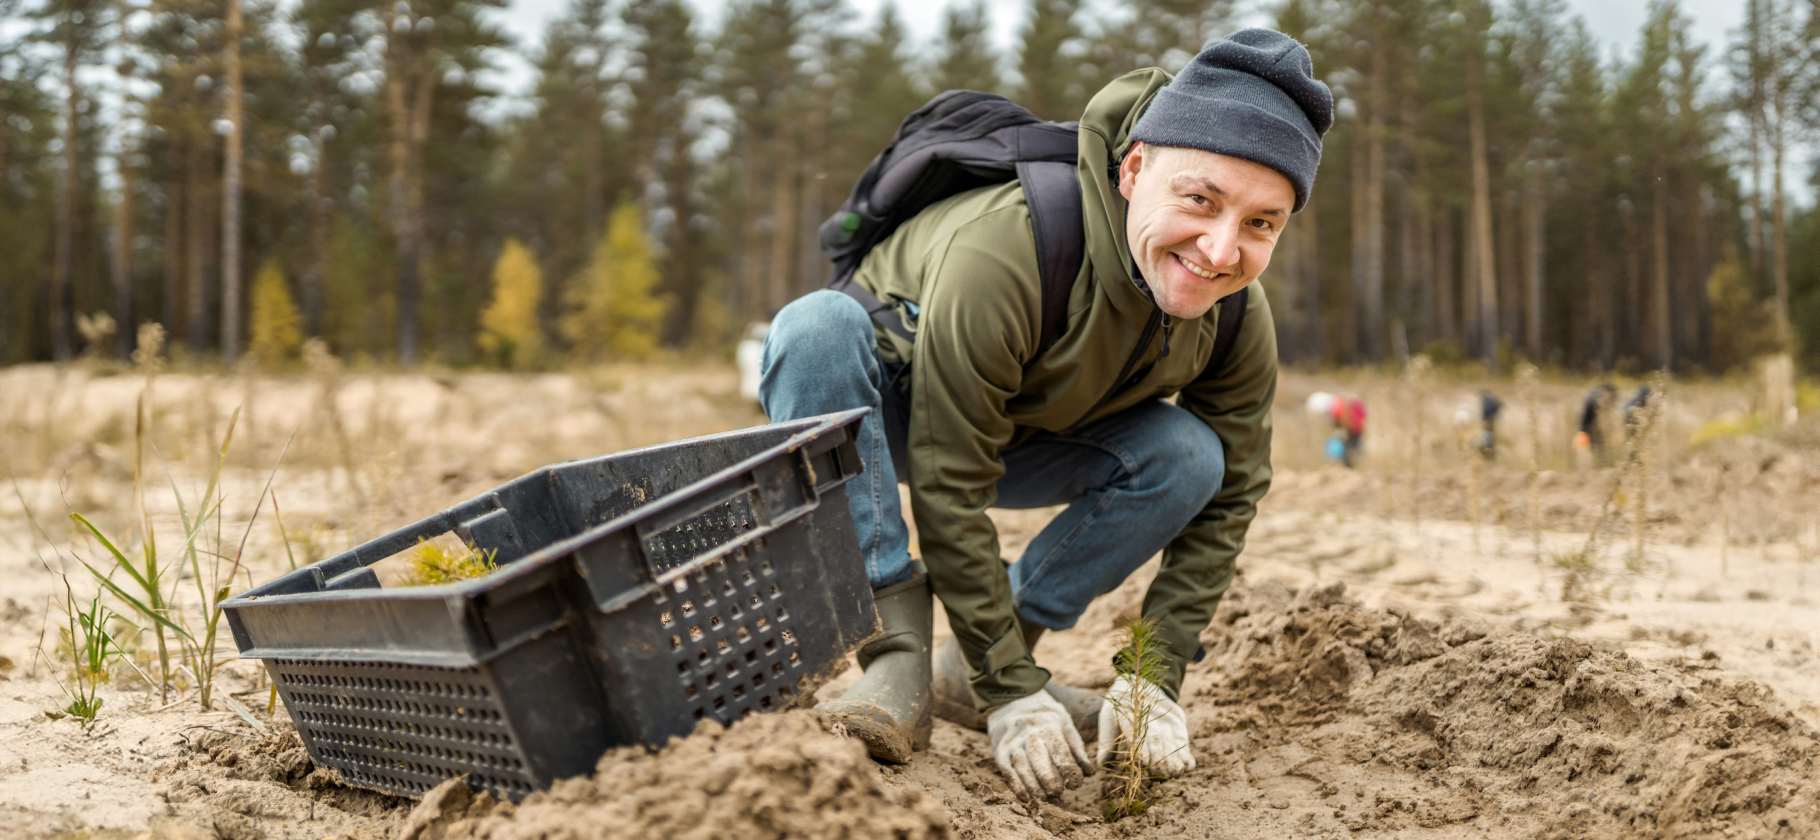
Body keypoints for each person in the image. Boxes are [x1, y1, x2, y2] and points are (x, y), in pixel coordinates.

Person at [759, 29, 1331, 801]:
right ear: (1134, 171)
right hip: (892, 414)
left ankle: (971, 667)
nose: (1221, 249)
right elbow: (945, 476)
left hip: (1033, 430)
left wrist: (1150, 679)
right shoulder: (1008, 249)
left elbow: (1229, 501)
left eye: (1262, 223)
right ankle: (897, 653)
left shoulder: (1235, 315)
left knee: (1194, 456)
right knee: (812, 328)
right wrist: (1014, 696)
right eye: (1200, 200)